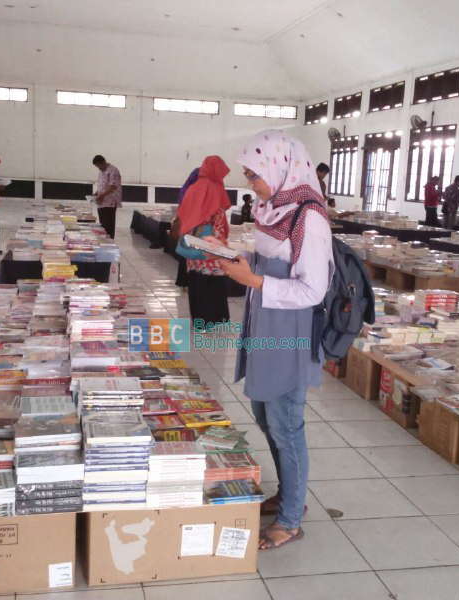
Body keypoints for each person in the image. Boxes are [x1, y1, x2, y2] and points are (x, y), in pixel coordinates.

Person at [210, 131, 333, 550]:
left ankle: (291, 518)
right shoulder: (272, 209)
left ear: (280, 167)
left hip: (290, 332)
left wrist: (255, 280)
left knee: (286, 423)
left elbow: (313, 289)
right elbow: (267, 262)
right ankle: (288, 493)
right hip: (265, 324)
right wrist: (235, 258)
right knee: (265, 416)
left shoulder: (308, 219)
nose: (250, 183)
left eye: (253, 174)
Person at [176, 156, 231, 329]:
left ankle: (199, 320)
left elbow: (183, 213)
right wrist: (222, 240)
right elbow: (218, 216)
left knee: (196, 280)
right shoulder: (215, 188)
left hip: (193, 241)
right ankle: (215, 319)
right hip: (211, 242)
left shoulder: (193, 188)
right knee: (213, 280)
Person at [92, 155, 122, 238]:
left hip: (110, 202)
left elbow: (113, 187)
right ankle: (104, 240)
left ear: (103, 162)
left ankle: (109, 241)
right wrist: (97, 193)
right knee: (103, 224)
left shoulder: (113, 171)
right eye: (97, 167)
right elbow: (102, 185)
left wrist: (102, 195)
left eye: (99, 166)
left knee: (109, 224)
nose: (98, 168)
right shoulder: (101, 172)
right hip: (101, 202)